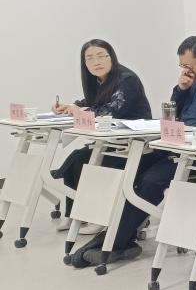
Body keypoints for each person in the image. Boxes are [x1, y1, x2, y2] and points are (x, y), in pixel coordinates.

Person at [77, 37, 196, 268]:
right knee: (129, 169)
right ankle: (119, 238)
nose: (187, 70)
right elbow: (174, 112)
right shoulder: (193, 80)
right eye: (182, 66)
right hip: (174, 144)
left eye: (189, 65)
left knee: (152, 180)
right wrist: (181, 89)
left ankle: (113, 243)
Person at [50, 39, 154, 266]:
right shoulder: (98, 81)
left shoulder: (127, 79)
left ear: (111, 57)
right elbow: (91, 103)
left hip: (134, 144)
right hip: (112, 142)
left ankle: (98, 215)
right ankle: (75, 214)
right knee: (76, 159)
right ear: (84, 63)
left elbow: (111, 111)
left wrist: (81, 111)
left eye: (101, 56)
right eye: (89, 58)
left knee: (94, 163)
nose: (96, 62)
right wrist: (69, 107)